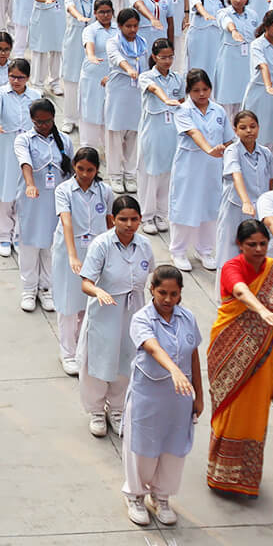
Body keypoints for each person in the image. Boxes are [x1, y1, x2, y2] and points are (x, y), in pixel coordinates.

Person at [205, 220, 273, 497]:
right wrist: (260, 310)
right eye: (252, 245)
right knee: (229, 412)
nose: (259, 249)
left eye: (263, 243)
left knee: (255, 416)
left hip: (266, 355)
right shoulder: (231, 267)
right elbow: (240, 291)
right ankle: (219, 475)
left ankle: (245, 478)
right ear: (240, 245)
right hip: (229, 351)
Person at [122, 265, 202, 527]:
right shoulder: (142, 319)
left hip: (179, 399)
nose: (168, 300)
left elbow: (193, 355)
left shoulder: (187, 317)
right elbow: (153, 348)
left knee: (173, 450)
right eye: (162, 293)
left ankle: (162, 496)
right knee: (143, 449)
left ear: (180, 294)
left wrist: (198, 395)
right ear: (152, 290)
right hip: (149, 396)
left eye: (173, 294)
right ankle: (135, 495)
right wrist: (175, 371)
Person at [80, 196, 152, 438]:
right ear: (112, 219)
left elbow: (152, 278)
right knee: (100, 360)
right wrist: (98, 291)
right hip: (105, 312)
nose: (129, 224)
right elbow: (86, 283)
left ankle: (118, 408)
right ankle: (97, 410)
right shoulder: (101, 245)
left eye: (134, 219)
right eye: (123, 219)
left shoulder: (144, 246)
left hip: (134, 311)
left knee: (127, 359)